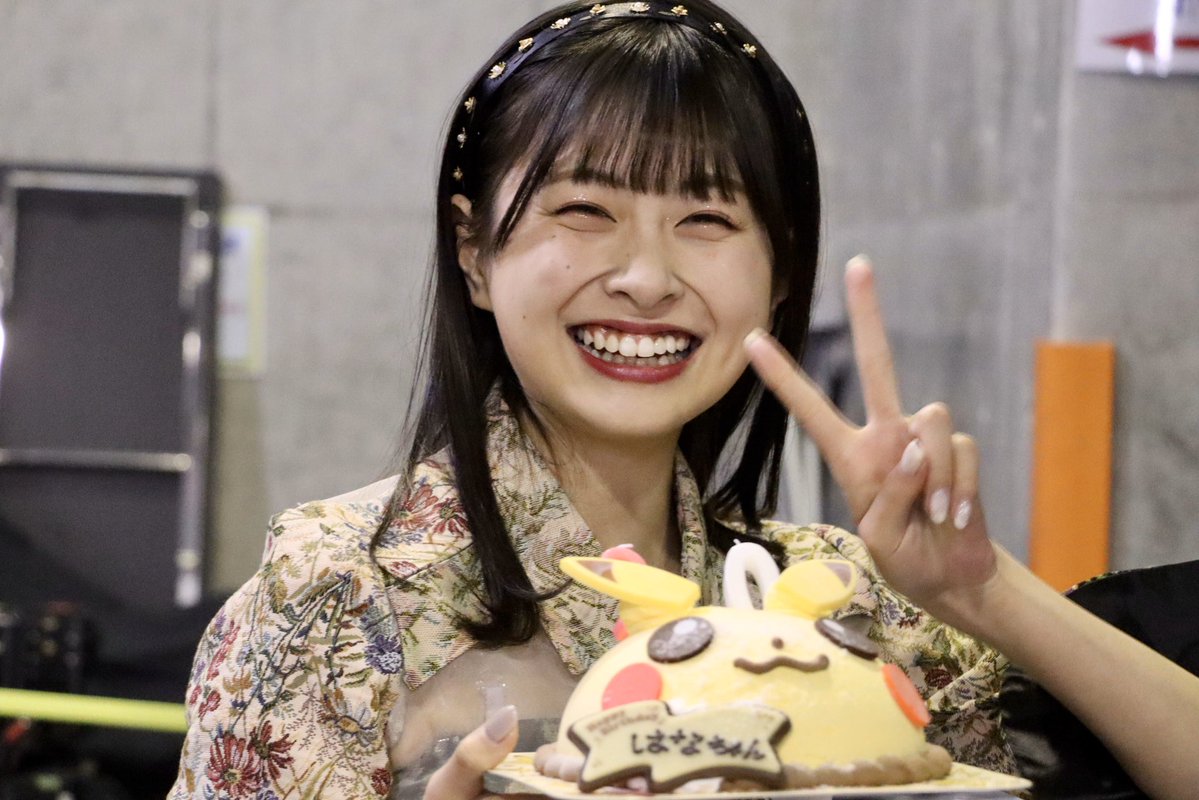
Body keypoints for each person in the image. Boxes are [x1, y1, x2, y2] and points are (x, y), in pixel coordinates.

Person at [170, 2, 1199, 799]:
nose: (646, 278)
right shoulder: (336, 588)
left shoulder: (840, 597)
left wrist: (982, 592)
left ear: (778, 271)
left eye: (706, 218)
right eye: (584, 209)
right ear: (473, 251)